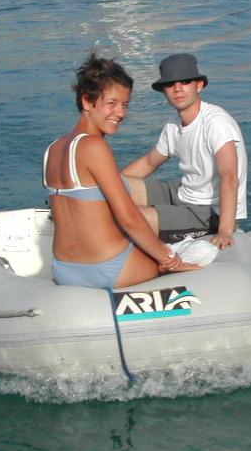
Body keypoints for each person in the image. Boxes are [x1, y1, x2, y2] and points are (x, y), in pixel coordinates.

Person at [44, 53, 194, 289]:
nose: (121, 113)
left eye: (125, 104)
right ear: (87, 101)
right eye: (111, 104)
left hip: (65, 270)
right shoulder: (94, 146)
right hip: (108, 268)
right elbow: (129, 218)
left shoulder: (53, 149)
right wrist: (168, 260)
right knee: (178, 258)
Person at [123, 54, 247, 249]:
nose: (177, 88)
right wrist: (108, 187)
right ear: (164, 90)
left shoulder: (216, 123)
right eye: (170, 83)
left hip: (210, 212)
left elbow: (229, 176)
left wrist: (225, 231)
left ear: (199, 85)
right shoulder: (173, 124)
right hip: (184, 193)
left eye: (185, 81)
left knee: (128, 218)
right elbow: (149, 162)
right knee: (117, 187)